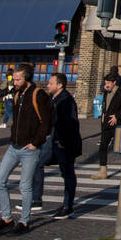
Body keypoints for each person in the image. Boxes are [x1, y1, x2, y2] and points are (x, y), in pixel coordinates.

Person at [0, 63, 51, 235]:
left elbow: (46, 122)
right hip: (14, 146)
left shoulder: (38, 94)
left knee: (25, 186)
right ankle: (7, 218)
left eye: (18, 79)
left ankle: (24, 222)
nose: (15, 82)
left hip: (29, 149)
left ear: (27, 79)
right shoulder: (17, 94)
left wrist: (36, 142)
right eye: (14, 79)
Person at [37, 72, 80, 219]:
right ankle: (36, 198)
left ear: (59, 85)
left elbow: (71, 123)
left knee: (67, 173)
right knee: (38, 163)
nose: (48, 85)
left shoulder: (66, 100)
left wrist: (64, 142)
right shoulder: (52, 98)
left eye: (50, 83)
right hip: (54, 139)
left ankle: (68, 205)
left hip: (64, 142)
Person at [93, 72, 121, 181]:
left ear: (114, 83)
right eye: (105, 82)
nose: (106, 84)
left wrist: (117, 116)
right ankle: (103, 170)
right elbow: (105, 105)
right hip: (107, 124)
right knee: (103, 146)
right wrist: (103, 114)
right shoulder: (106, 93)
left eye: (108, 83)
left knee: (120, 148)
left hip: (118, 124)